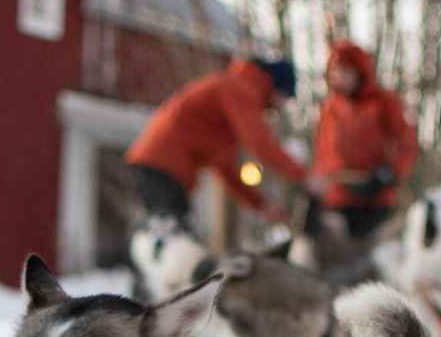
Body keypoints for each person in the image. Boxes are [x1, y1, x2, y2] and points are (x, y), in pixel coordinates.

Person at [125, 56, 308, 224]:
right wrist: (304, 176)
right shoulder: (239, 89)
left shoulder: (232, 102)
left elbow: (225, 168)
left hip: (160, 165)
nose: (279, 105)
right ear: (275, 86)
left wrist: (260, 205)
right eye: (284, 97)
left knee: (170, 227)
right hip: (163, 163)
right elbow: (260, 143)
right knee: (171, 231)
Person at [310, 40, 418, 240]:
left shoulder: (384, 102)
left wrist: (391, 173)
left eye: (345, 71)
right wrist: (322, 180)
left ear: (359, 72)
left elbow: (406, 142)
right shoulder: (330, 108)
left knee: (371, 254)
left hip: (375, 197)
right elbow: (324, 151)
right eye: (335, 71)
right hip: (338, 197)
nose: (339, 77)